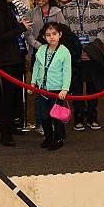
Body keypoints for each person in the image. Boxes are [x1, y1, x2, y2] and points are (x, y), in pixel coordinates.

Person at [0, 0, 33, 146]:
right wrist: (21, 27)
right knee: (7, 97)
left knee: (14, 96)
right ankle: (5, 133)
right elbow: (1, 37)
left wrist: (20, 26)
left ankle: (13, 125)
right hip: (6, 60)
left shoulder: (8, 8)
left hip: (17, 56)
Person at [62, 0, 104, 131]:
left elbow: (102, 31)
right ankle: (78, 116)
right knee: (76, 87)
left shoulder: (99, 6)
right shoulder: (67, 8)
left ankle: (92, 115)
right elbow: (66, 34)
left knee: (93, 87)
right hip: (75, 55)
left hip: (93, 53)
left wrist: (91, 51)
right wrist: (77, 51)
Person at [25, 0, 66, 135]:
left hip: (55, 54)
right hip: (38, 52)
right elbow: (27, 33)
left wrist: (53, 45)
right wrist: (37, 45)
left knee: (54, 89)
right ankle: (40, 122)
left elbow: (64, 32)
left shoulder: (57, 12)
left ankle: (56, 121)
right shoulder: (31, 13)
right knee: (39, 89)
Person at [30, 22, 71, 150]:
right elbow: (36, 66)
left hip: (57, 90)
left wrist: (65, 88)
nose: (51, 37)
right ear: (44, 37)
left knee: (56, 116)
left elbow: (67, 72)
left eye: (54, 34)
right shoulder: (41, 49)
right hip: (42, 89)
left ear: (60, 35)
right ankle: (48, 137)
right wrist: (32, 82)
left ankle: (58, 139)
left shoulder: (64, 52)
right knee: (44, 116)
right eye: (48, 35)